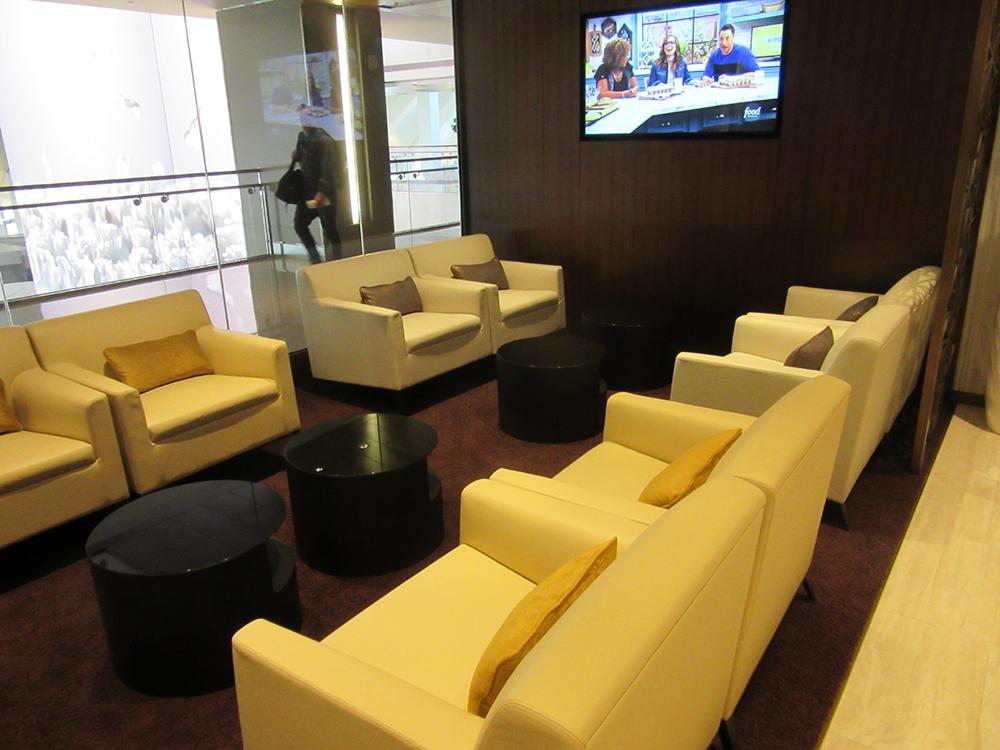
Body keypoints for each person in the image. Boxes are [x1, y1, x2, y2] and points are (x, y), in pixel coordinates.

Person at [292, 106, 342, 264]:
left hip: (323, 192)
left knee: (329, 227)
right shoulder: (302, 137)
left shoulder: (323, 139)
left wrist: (322, 190)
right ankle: (315, 258)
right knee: (300, 224)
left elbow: (329, 166)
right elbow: (303, 160)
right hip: (309, 191)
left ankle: (338, 260)